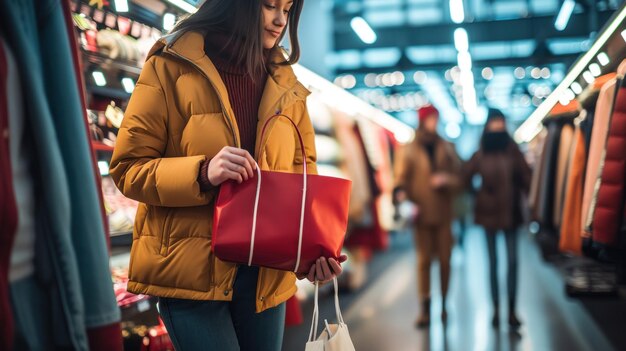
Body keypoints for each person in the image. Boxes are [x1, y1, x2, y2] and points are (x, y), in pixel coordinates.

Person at [109, 1, 346, 350]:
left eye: (288, 9)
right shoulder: (171, 65)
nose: (280, 20)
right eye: (269, 6)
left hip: (264, 277)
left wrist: (310, 254)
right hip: (189, 274)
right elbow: (128, 168)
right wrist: (203, 172)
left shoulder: (286, 85)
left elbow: (302, 176)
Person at [394, 104, 462, 328]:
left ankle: (443, 304)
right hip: (421, 213)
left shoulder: (447, 146)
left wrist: (446, 180)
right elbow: (400, 178)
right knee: (423, 262)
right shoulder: (409, 149)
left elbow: (460, 179)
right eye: (430, 118)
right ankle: (425, 308)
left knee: (445, 261)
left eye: (435, 118)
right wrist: (400, 192)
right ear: (422, 120)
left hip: (443, 214)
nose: (433, 122)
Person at [463, 108, 531, 329]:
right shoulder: (481, 152)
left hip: (511, 213)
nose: (498, 126)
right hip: (489, 215)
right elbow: (465, 177)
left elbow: (526, 178)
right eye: (495, 122)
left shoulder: (513, 150)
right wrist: (480, 195)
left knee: (512, 262)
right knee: (492, 263)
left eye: (501, 121)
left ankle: (511, 309)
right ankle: (495, 309)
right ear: (488, 124)